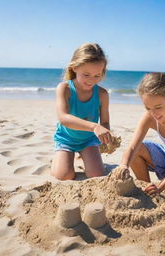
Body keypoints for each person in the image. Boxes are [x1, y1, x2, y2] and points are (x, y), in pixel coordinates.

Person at [52, 43, 113, 180]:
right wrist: (94, 126)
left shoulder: (102, 94)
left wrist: (106, 134)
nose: (92, 80)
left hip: (88, 140)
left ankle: (83, 156)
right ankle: (60, 157)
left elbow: (105, 121)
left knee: (96, 175)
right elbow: (63, 118)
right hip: (66, 138)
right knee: (64, 176)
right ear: (75, 67)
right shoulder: (65, 88)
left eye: (97, 75)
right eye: (86, 74)